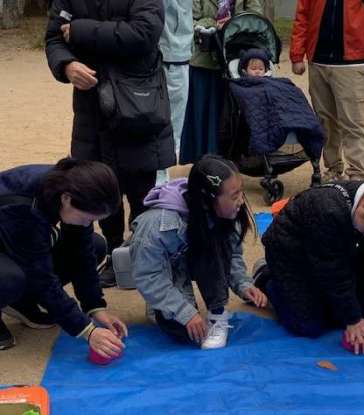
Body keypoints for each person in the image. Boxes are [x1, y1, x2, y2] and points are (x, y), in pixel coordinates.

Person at [45, 0, 176, 288]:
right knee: (98, 187)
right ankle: (115, 254)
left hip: (138, 103)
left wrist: (80, 30)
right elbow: (55, 37)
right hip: (91, 108)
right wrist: (66, 65)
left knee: (141, 189)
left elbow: (144, 33)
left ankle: (145, 254)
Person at [253, 178, 364, 355]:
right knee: (308, 325)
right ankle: (265, 276)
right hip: (290, 254)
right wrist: (353, 320)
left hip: (332, 252)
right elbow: (333, 272)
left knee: (341, 316)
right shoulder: (327, 209)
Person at [130, 154, 267, 349]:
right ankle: (158, 306)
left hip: (196, 259)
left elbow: (231, 254)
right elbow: (149, 275)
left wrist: (243, 284)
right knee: (185, 331)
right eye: (234, 196)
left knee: (214, 244)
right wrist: (185, 313)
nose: (241, 201)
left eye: (240, 192)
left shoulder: (226, 213)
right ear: (206, 200)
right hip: (169, 270)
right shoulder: (155, 225)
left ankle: (218, 314)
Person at [0, 158, 127, 359]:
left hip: (14, 240)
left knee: (94, 245)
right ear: (67, 199)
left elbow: (82, 254)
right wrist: (87, 330)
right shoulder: (24, 207)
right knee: (10, 278)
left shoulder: (74, 188)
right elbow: (41, 277)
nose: (88, 223)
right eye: (87, 218)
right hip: (12, 231)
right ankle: (12, 294)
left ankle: (20, 302)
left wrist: (95, 307)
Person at [289, 0, 364, 182]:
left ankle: (357, 174)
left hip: (353, 62)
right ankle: (333, 170)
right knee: (325, 122)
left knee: (352, 122)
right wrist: (297, 54)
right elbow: (302, 16)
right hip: (319, 61)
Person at [180, 0, 264, 164]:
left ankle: (232, 157)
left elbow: (256, 17)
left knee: (230, 113)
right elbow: (188, 20)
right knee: (203, 113)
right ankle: (203, 160)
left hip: (235, 60)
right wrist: (213, 24)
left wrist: (233, 24)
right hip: (204, 61)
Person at [156, 0, 194, 186]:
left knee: (172, 127)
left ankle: (161, 179)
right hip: (169, 56)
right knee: (167, 126)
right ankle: (159, 180)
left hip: (176, 57)